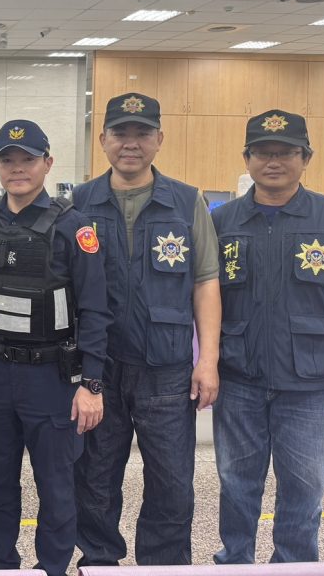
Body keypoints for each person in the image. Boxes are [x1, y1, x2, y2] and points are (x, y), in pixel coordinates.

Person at [211, 109, 324, 564]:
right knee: (235, 488)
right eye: (263, 152)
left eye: (286, 152)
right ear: (246, 158)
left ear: (306, 158)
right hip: (238, 379)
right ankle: (235, 567)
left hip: (308, 384)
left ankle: (296, 569)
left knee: (303, 495)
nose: (274, 161)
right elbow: (206, 300)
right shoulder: (221, 221)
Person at [73, 92, 221, 566]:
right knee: (95, 478)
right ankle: (98, 563)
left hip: (167, 368)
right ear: (103, 139)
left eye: (142, 133)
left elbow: (205, 282)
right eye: (121, 133)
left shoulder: (187, 201)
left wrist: (208, 360)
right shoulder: (79, 202)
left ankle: (164, 566)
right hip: (101, 367)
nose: (130, 143)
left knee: (171, 483)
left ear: (160, 139)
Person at [0, 120, 112, 576]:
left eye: (27, 159)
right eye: (7, 160)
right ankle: (0, 567)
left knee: (56, 489)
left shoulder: (73, 227)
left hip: (51, 380)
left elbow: (96, 311)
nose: (17, 168)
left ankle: (52, 568)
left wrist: (91, 384)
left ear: (47, 163)